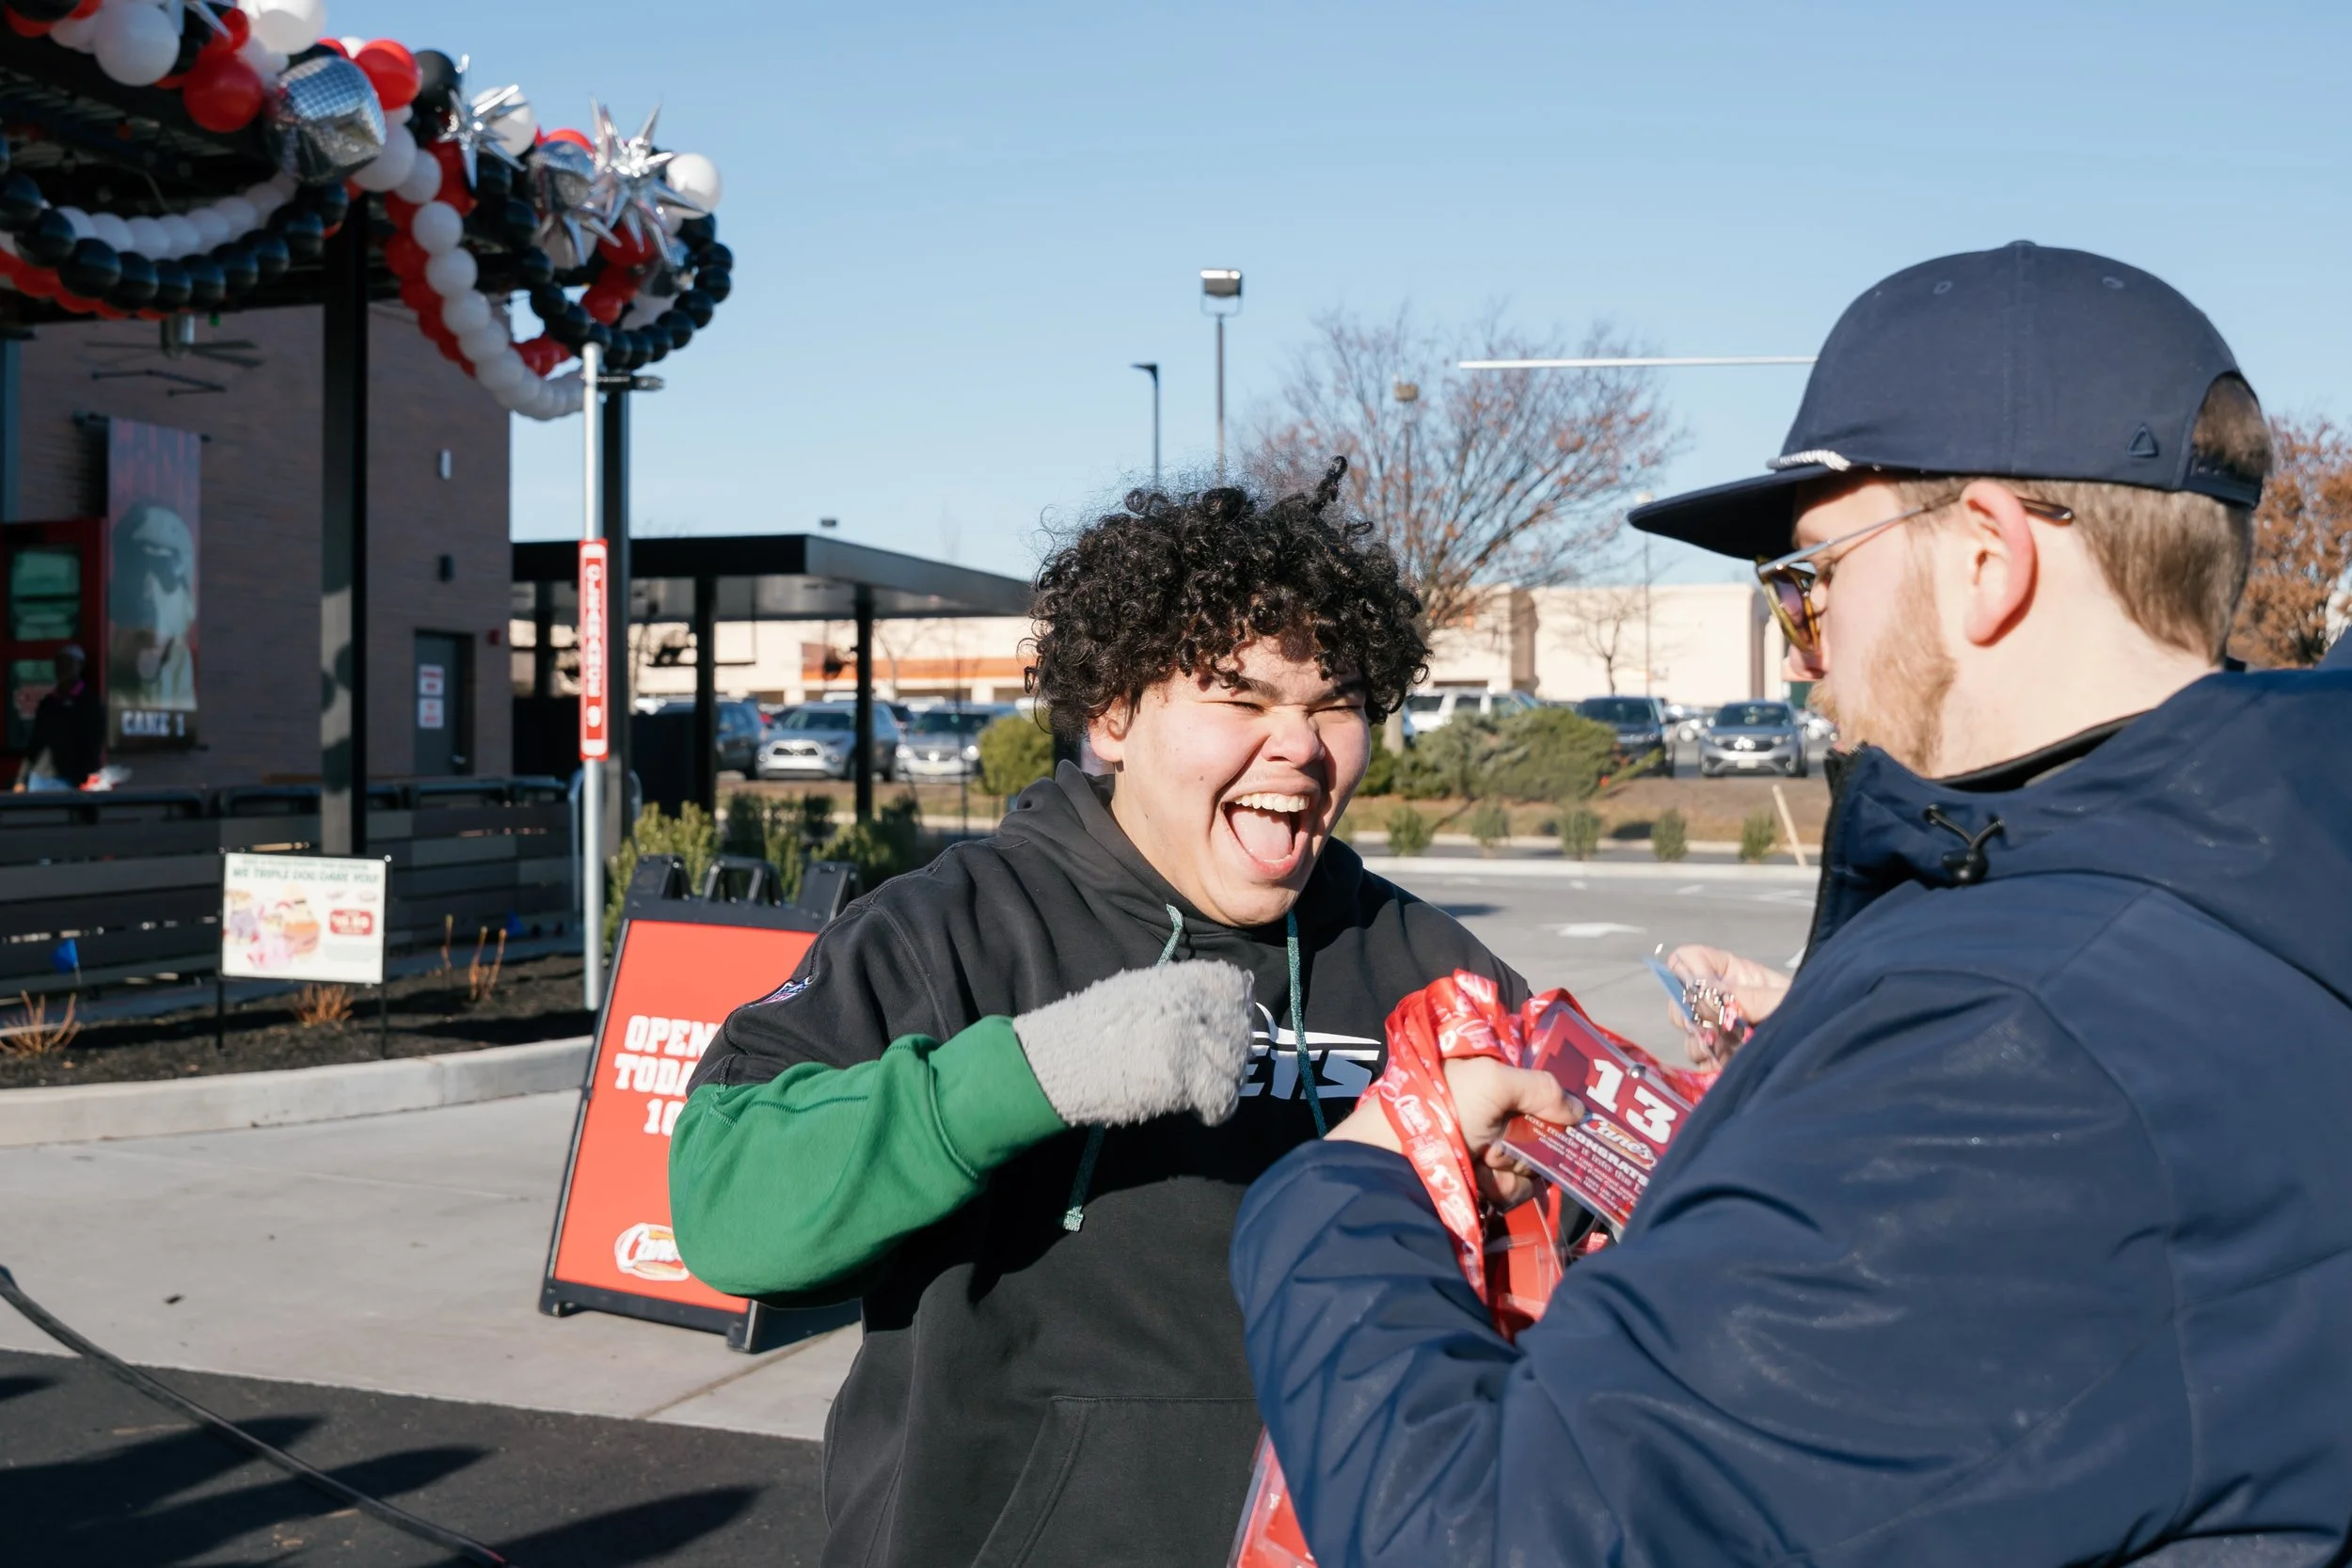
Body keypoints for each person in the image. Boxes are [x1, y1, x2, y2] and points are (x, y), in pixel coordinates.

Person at [1231, 242, 2352, 1567]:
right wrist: (1804, 1094)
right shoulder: (2243, 889)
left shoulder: (2014, 1045)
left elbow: (1506, 1533)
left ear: (1987, 558)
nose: (1797, 640)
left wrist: (1350, 1187)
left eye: (1811, 578)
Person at [670, 465, 1534, 1568]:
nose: (1303, 746)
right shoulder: (950, 930)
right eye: (1242, 695)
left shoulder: (1430, 969)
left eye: (1335, 704)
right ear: (1115, 711)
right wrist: (1034, 1072)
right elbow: (725, 1210)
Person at [15, 644, 102, 792]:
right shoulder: (48, 703)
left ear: (79, 666)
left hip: (70, 782)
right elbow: (35, 743)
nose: (62, 669)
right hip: (39, 779)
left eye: (68, 663)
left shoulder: (90, 703)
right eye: (59, 663)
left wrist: (85, 782)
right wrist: (21, 780)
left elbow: (92, 747)